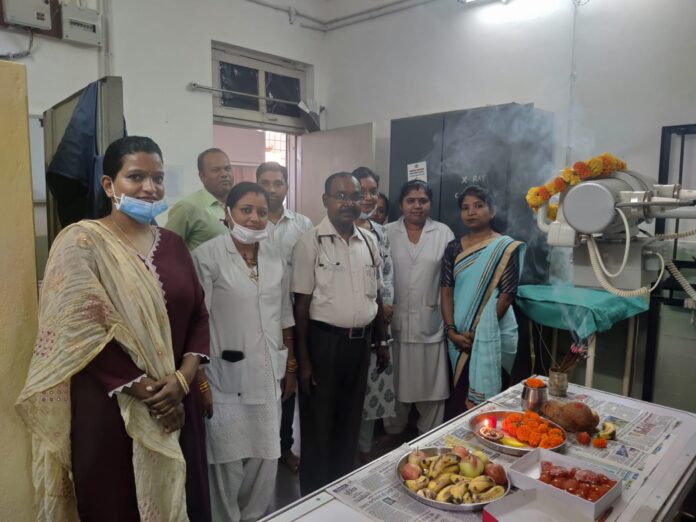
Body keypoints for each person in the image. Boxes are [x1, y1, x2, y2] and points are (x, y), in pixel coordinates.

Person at [16, 136, 211, 521]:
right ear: (109, 185)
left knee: (183, 497)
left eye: (157, 178)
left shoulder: (174, 245)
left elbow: (199, 316)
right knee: (116, 502)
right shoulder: (82, 242)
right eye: (135, 176)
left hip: (177, 400)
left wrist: (182, 381)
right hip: (112, 405)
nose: (149, 187)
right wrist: (150, 393)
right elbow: (77, 331)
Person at [193, 182, 296, 522]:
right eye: (246, 210)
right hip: (223, 377)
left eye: (262, 212)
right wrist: (200, 381)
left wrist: (291, 365)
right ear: (228, 213)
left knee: (265, 456)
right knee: (225, 459)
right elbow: (196, 322)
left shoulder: (274, 256)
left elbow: (285, 315)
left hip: (267, 373)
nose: (254, 218)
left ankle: (253, 516)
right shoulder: (207, 257)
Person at [291, 172, 388, 495]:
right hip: (323, 345)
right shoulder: (310, 242)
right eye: (340, 196)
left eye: (354, 196)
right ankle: (314, 497)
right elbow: (301, 306)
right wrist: (304, 360)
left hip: (360, 345)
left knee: (350, 420)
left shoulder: (369, 241)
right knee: (319, 424)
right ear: (326, 200)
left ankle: (342, 490)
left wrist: (382, 340)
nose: (348, 203)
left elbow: (377, 295)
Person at [441, 185, 525, 419]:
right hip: (457, 336)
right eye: (465, 207)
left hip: (491, 333)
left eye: (478, 206)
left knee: (487, 405)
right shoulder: (453, 248)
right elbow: (446, 291)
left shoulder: (505, 247)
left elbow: (507, 295)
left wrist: (479, 333)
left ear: (492, 210)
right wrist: (451, 331)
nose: (471, 212)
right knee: (458, 396)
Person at [382, 180, 454, 439]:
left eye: (423, 201)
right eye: (410, 200)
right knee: (395, 387)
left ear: (430, 204)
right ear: (401, 204)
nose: (417, 206)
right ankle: (393, 436)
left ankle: (429, 438)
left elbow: (450, 281)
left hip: (430, 323)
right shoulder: (386, 232)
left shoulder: (443, 233)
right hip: (395, 324)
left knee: (432, 390)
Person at [256, 161, 313, 473]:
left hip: (297, 314)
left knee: (290, 379)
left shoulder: (303, 225)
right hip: (259, 313)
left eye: (277, 183)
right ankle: (260, 447)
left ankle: (285, 446)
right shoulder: (250, 221)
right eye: (265, 182)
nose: (271, 189)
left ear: (287, 187)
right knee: (263, 380)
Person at [352, 167, 396, 463]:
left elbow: (387, 273)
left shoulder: (380, 232)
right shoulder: (338, 230)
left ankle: (365, 449)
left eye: (373, 192)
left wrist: (387, 305)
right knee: (348, 392)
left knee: (372, 389)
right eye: (361, 192)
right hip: (348, 323)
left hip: (378, 323)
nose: (368, 198)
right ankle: (344, 451)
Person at [166, 147, 233, 250]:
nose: (224, 174)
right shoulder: (187, 207)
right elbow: (167, 249)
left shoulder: (238, 205)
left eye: (227, 169)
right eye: (216, 170)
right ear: (202, 176)